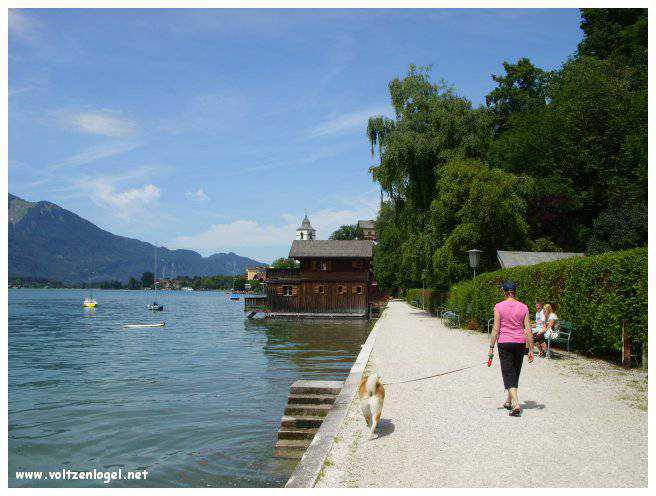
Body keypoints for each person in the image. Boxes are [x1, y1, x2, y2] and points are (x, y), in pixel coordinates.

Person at [488, 281, 534, 417]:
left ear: (505, 292)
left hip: (505, 342)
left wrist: (491, 347)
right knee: (515, 371)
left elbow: (496, 329)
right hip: (520, 343)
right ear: (514, 292)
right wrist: (531, 349)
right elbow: (528, 329)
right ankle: (508, 401)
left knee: (508, 373)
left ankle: (516, 404)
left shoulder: (499, 306)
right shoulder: (524, 307)